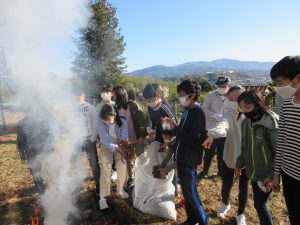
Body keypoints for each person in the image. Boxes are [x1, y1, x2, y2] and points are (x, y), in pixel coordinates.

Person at [202, 86, 248, 225]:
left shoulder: (251, 115)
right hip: (230, 154)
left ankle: (241, 213)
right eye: (231, 99)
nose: (234, 102)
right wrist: (212, 134)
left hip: (246, 158)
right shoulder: (229, 113)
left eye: (237, 99)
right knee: (226, 183)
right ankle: (225, 203)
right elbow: (223, 125)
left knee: (243, 187)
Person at [165, 80, 208, 225]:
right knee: (186, 191)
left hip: (190, 159)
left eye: (182, 95)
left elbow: (194, 139)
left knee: (191, 193)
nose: (180, 98)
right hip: (181, 157)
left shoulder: (198, 113)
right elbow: (182, 134)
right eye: (180, 95)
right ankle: (192, 219)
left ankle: (203, 221)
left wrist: (175, 128)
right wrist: (173, 139)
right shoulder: (186, 111)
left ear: (192, 95)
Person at [235, 90, 278, 225]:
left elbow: (279, 151)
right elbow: (244, 146)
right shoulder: (246, 123)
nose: (245, 111)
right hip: (253, 171)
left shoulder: (270, 122)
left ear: (258, 104)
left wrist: (272, 175)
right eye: (242, 108)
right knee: (258, 203)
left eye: (248, 107)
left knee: (260, 205)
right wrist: (239, 164)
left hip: (266, 174)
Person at [270, 56, 300, 225]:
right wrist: (276, 174)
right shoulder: (286, 105)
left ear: (297, 78)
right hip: (289, 174)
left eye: (280, 82)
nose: (277, 87)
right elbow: (282, 141)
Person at [113, 85, 148, 186]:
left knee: (141, 158)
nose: (113, 98)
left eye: (115, 96)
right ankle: (131, 179)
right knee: (129, 160)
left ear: (120, 95)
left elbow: (142, 121)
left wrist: (141, 136)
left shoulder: (133, 105)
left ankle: (144, 178)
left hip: (137, 138)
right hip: (125, 140)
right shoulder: (116, 108)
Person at [98, 104, 129, 210]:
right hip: (107, 145)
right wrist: (115, 147)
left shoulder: (123, 121)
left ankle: (120, 189)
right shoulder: (100, 123)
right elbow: (105, 140)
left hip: (120, 144)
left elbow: (124, 136)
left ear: (115, 114)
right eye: (106, 118)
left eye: (111, 116)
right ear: (102, 117)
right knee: (105, 169)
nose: (109, 119)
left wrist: (122, 146)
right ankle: (103, 196)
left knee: (122, 164)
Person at [199, 76, 231, 178]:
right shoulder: (210, 95)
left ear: (228, 85)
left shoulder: (231, 96)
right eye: (219, 86)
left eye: (224, 86)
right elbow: (204, 109)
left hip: (224, 130)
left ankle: (221, 171)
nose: (221, 87)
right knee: (209, 152)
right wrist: (215, 115)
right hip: (211, 129)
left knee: (222, 153)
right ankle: (205, 170)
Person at [17, 115, 53, 193]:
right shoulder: (42, 120)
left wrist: (22, 156)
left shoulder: (22, 123)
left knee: (40, 170)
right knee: (37, 170)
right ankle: (42, 188)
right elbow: (20, 141)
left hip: (40, 149)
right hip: (36, 150)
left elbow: (20, 141)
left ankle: (45, 187)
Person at [80, 92, 101, 195]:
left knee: (94, 164)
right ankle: (79, 186)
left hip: (89, 139)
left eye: (79, 95)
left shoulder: (90, 107)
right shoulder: (72, 109)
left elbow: (95, 123)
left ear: (84, 96)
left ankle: (99, 186)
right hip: (77, 140)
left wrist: (93, 137)